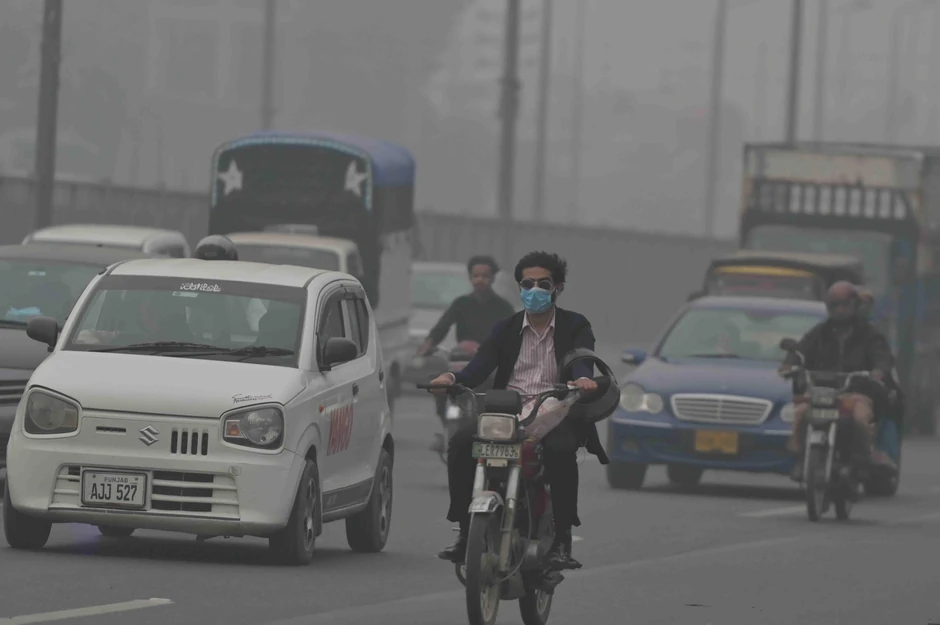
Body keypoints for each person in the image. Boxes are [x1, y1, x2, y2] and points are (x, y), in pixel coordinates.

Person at [426, 251, 607, 571]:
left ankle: (562, 539)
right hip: (507, 410)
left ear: (558, 287)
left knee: (560, 451)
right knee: (462, 443)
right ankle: (466, 531)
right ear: (519, 287)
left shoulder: (576, 325)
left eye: (543, 283)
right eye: (527, 283)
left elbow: (582, 358)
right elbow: (479, 367)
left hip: (557, 409)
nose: (534, 289)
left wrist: (582, 379)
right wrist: (451, 379)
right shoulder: (506, 327)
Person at [780, 281, 898, 482]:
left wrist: (878, 371)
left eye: (845, 305)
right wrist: (789, 365)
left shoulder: (870, 334)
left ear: (855, 306)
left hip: (855, 393)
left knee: (861, 416)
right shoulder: (819, 333)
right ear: (829, 307)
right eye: (836, 305)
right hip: (821, 393)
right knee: (799, 412)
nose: (841, 310)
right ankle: (801, 460)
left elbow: (882, 356)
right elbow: (800, 351)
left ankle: (863, 458)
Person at [417, 255, 516, 422]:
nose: (480, 280)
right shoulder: (461, 303)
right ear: (470, 277)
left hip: (491, 364)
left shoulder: (504, 307)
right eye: (476, 276)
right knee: (441, 384)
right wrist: (427, 345)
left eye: (485, 276)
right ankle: (445, 419)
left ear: (492, 278)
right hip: (461, 360)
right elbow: (442, 327)